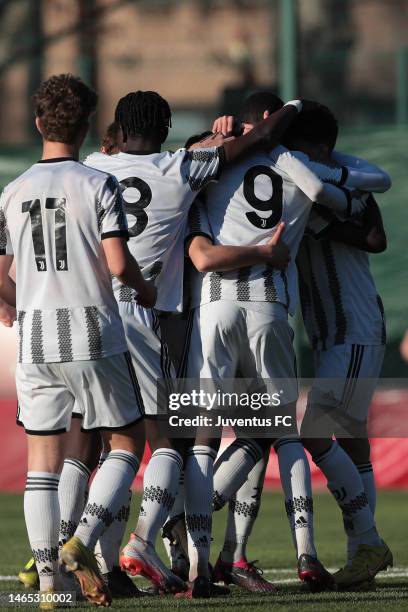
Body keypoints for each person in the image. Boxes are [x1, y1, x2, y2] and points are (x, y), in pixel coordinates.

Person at [83, 90, 302, 598]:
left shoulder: (92, 167)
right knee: (176, 442)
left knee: (105, 447)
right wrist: (293, 105)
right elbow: (261, 138)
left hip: (90, 317)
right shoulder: (180, 169)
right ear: (164, 129)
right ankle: (153, 549)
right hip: (152, 317)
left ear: (117, 127)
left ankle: (84, 563)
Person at [181, 91, 370, 595]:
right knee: (282, 431)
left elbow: (184, 173)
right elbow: (366, 196)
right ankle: (305, 554)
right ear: (271, 122)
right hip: (268, 307)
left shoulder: (212, 161)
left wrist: (214, 138)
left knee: (209, 431)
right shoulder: (301, 170)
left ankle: (202, 550)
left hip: (215, 306)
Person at [0, 73, 156, 607]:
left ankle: (50, 584)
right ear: (88, 125)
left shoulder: (12, 191)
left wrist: (15, 303)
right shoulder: (97, 184)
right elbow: (118, 264)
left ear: (40, 123)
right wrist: (146, 288)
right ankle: (82, 542)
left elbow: (1, 274)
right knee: (128, 441)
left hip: (36, 338)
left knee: (40, 462)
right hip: (93, 331)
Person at [281, 102, 393, 589]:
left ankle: (367, 540)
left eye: (299, 147)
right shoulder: (299, 185)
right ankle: (361, 556)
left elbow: (376, 235)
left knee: (313, 432)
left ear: (322, 149)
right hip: (335, 331)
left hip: (353, 327)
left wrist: (324, 222)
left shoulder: (340, 185)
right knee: (352, 440)